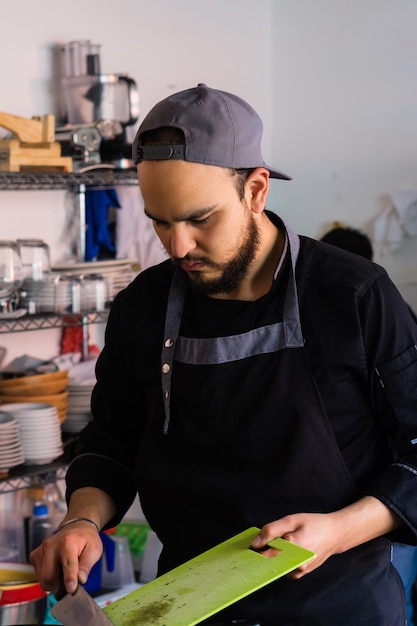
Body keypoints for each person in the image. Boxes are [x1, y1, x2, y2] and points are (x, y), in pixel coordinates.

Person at [30, 84, 417, 626]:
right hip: (183, 609)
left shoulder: (353, 296)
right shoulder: (142, 307)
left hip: (336, 605)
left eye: (199, 219)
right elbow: (111, 444)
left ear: (256, 190)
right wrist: (82, 521)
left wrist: (339, 530)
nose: (179, 246)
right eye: (160, 222)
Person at [321, 223, 417, 625]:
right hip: (384, 489)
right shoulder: (398, 310)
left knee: (393, 583)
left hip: (391, 491)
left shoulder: (374, 308)